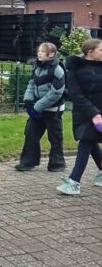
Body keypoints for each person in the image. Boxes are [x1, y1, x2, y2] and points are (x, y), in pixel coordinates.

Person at [56, 38, 102, 195]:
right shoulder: (75, 69)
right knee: (90, 142)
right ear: (90, 52)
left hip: (100, 113)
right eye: (101, 50)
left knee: (87, 142)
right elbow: (75, 94)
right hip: (84, 113)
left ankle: (74, 181)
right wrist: (93, 113)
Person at [15, 42, 66, 172]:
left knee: (55, 138)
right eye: (39, 51)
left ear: (51, 55)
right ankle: (28, 162)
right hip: (37, 110)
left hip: (53, 111)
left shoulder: (58, 70)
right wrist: (28, 100)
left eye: (43, 51)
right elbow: (31, 84)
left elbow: (56, 92)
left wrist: (37, 107)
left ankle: (57, 163)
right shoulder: (37, 68)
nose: (39, 53)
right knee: (31, 133)